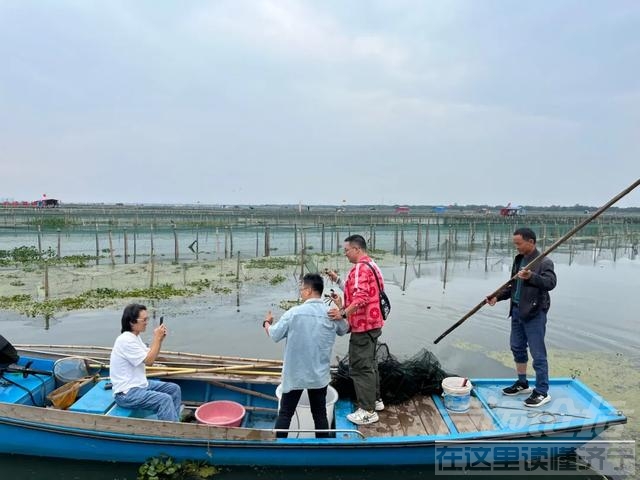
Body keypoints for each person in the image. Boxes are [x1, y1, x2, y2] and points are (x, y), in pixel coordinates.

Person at [263, 273, 349, 438]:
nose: (301, 292)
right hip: (319, 376)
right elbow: (344, 329)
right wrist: (341, 309)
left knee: (285, 414)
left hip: (295, 375)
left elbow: (274, 335)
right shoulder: (332, 314)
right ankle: (323, 449)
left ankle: (280, 448)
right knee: (320, 415)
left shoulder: (294, 313)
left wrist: (267, 323)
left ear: (309, 290)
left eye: (302, 289)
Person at [486, 228, 557, 407]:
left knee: (538, 353)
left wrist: (531, 276)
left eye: (518, 243)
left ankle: (542, 391)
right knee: (517, 347)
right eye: (515, 243)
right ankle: (522, 383)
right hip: (517, 311)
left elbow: (550, 283)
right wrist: (497, 296)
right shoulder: (519, 260)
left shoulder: (544, 262)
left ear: (531, 242)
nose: (516, 247)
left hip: (534, 313)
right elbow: (512, 286)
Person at [326, 234, 385, 425]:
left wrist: (343, 313)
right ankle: (375, 401)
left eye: (347, 250)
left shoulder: (360, 268)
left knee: (360, 367)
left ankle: (367, 411)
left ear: (357, 249)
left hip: (363, 325)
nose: (345, 254)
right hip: (374, 323)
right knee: (370, 364)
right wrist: (337, 281)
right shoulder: (372, 265)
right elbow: (358, 290)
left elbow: (361, 298)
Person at [109, 303, 182, 421]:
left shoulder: (135, 337)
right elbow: (149, 361)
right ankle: (171, 434)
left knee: (174, 389)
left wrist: (160, 340)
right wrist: (157, 338)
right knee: (164, 399)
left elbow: (150, 353)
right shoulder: (126, 340)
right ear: (132, 322)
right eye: (144, 319)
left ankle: (174, 422)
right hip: (126, 393)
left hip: (140, 385)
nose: (146, 322)